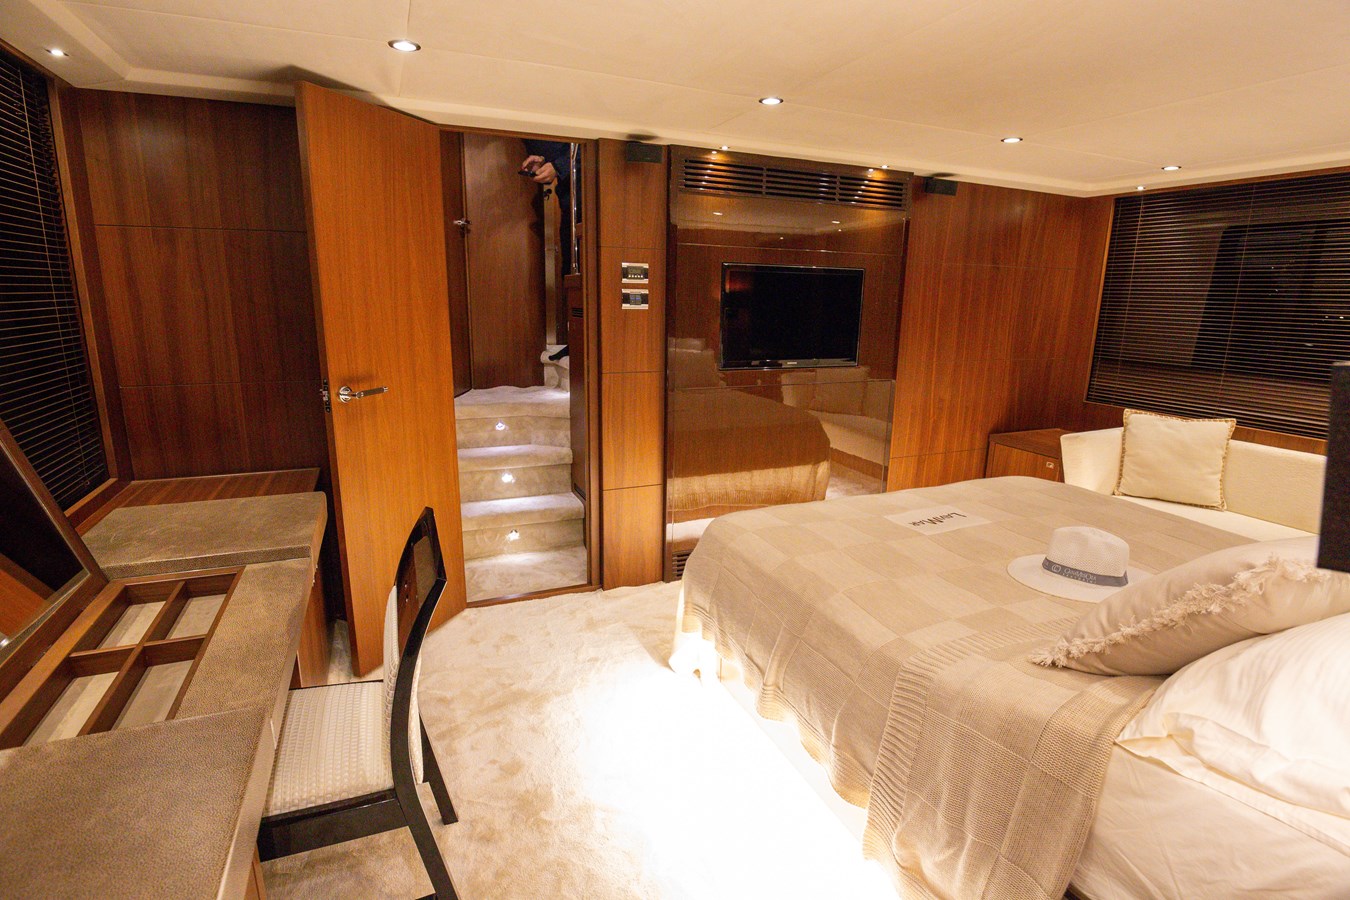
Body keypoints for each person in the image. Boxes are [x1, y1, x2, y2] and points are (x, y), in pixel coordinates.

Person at [521, 140, 577, 360]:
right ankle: (576, 340)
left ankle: (582, 342)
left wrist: (559, 166)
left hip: (591, 198)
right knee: (569, 273)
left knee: (581, 274)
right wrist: (546, 162)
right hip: (569, 200)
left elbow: (590, 149)